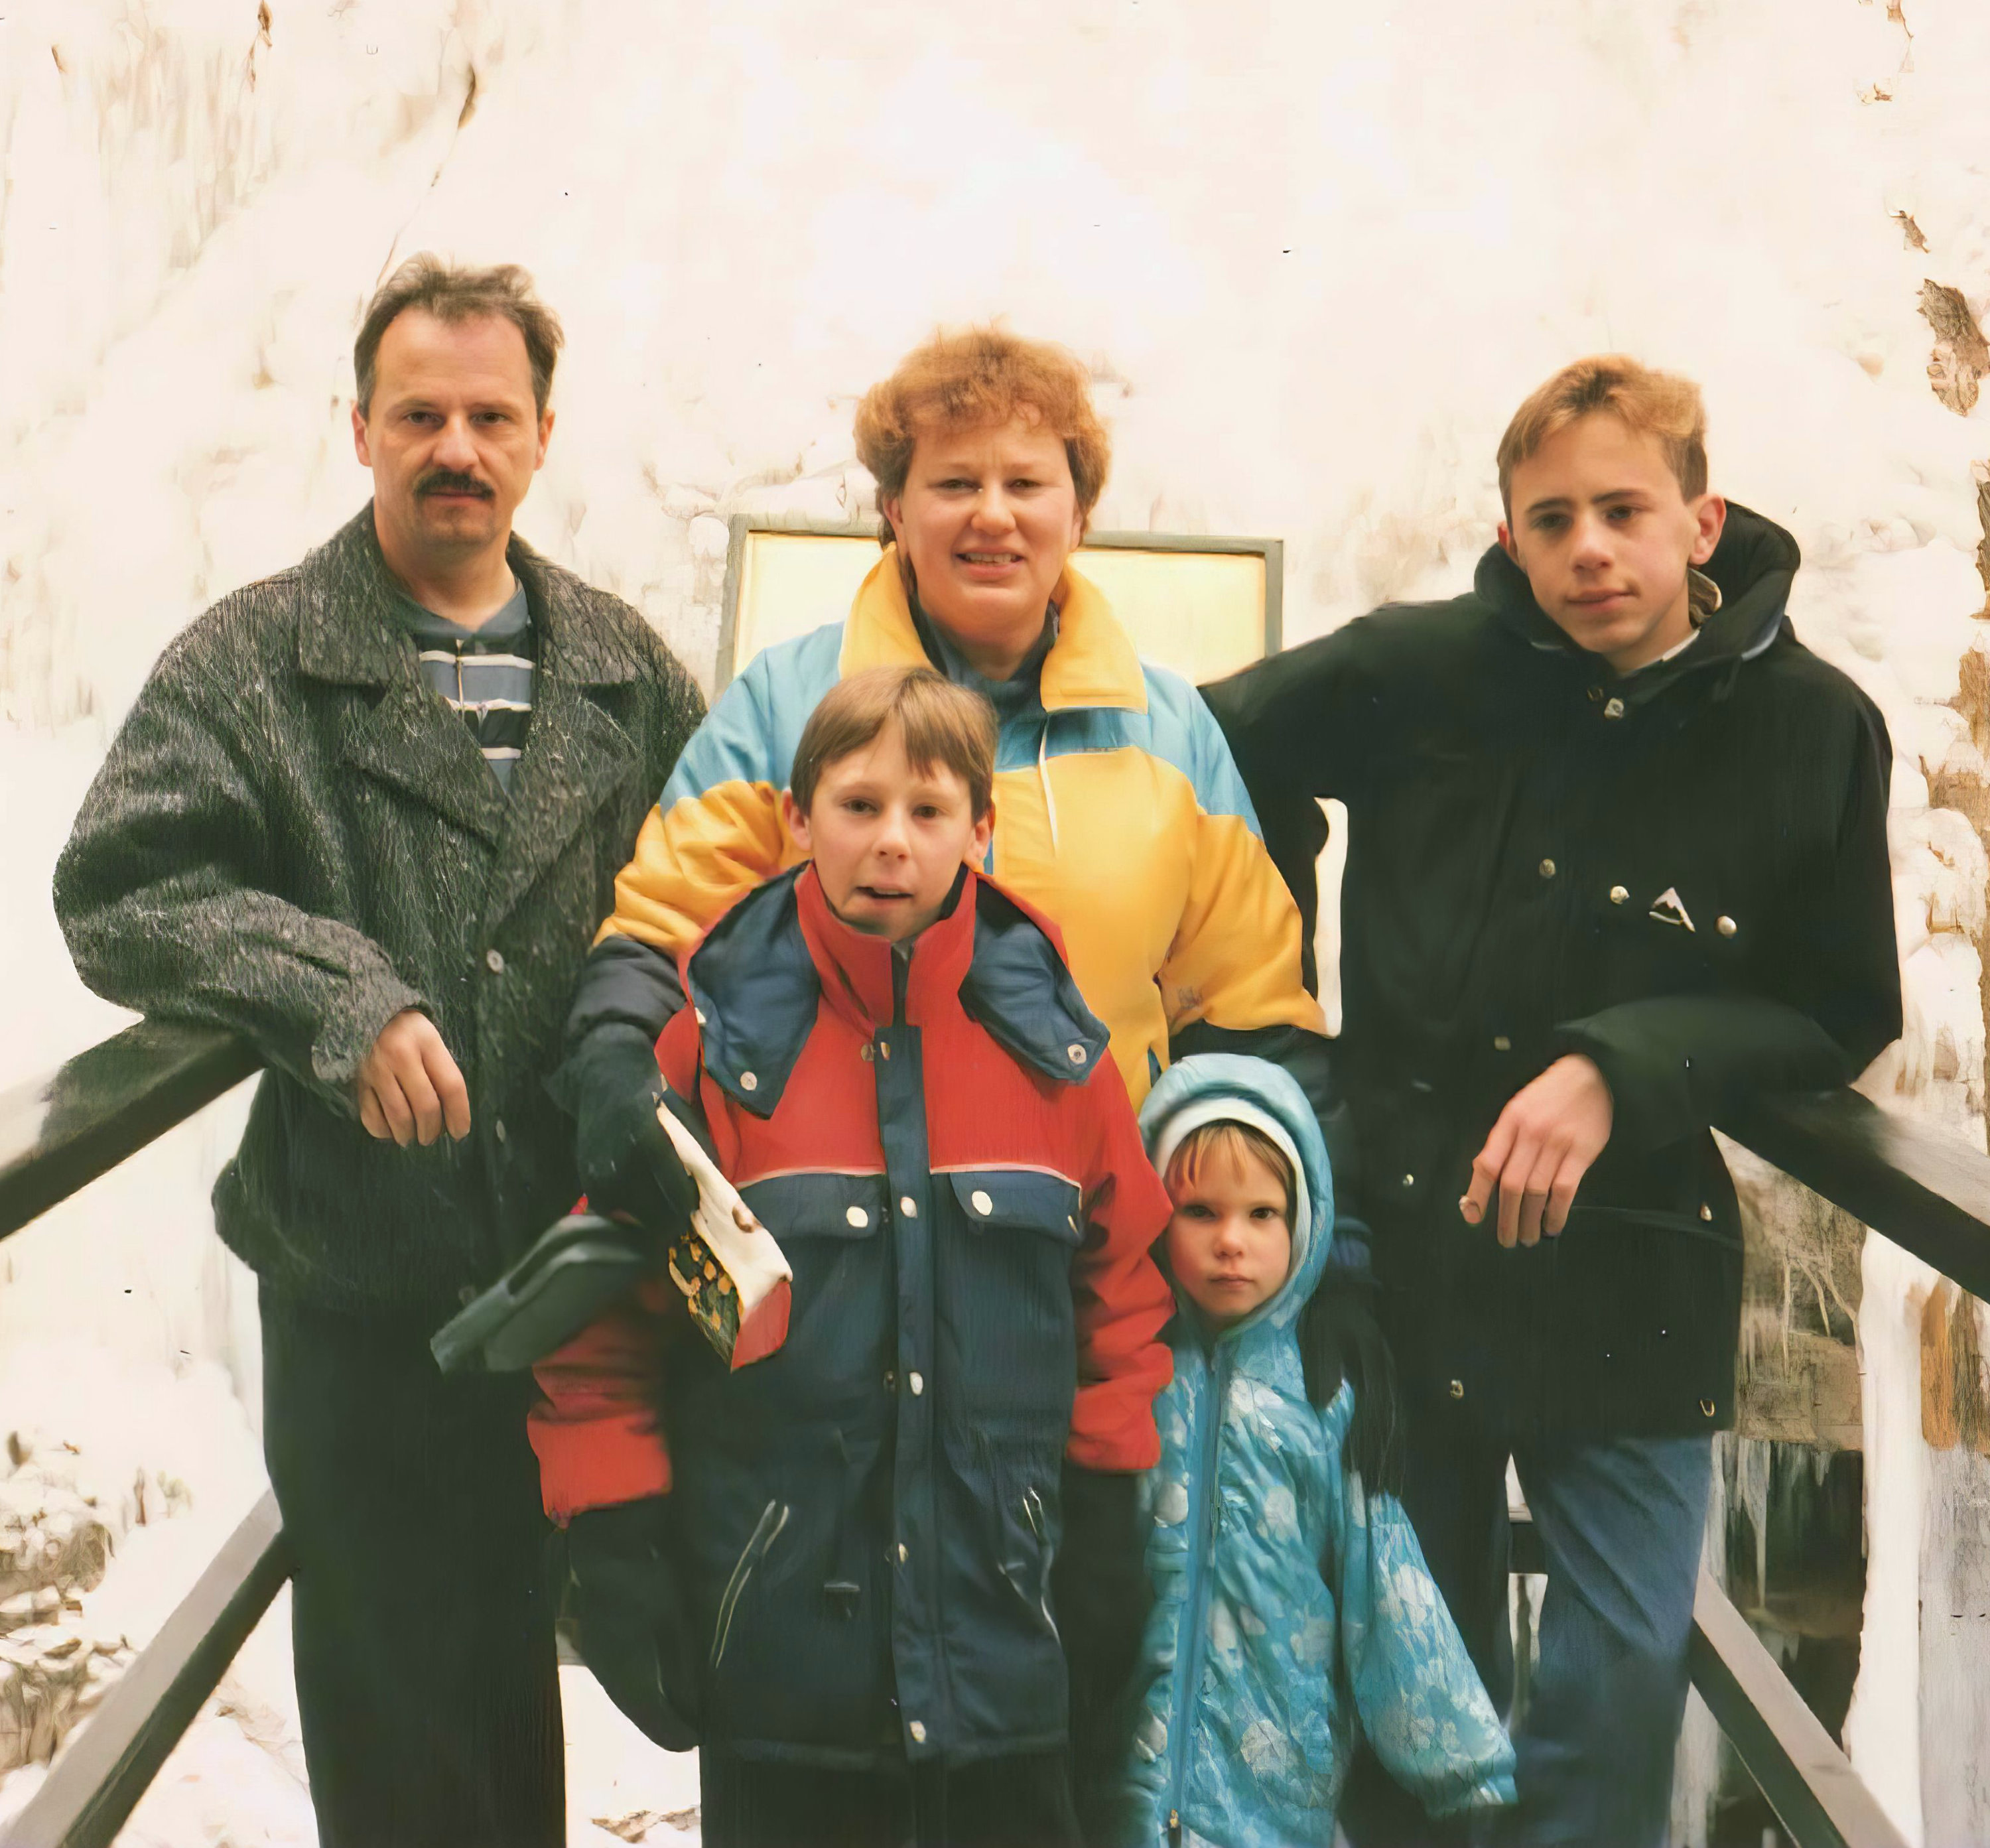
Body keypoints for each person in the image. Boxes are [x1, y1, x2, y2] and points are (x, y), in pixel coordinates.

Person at [554, 325, 1378, 1821]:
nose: (990, 512)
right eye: (952, 482)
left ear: (1080, 507)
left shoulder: (1165, 722)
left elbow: (1255, 1001)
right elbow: (665, 927)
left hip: (1069, 1295)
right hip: (833, 1267)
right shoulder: (794, 703)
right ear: (894, 508)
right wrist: (617, 1052)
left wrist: (1305, 1264)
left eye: (1026, 480)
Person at [1201, 355, 1902, 1846]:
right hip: (1403, 1239)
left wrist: (1621, 1065)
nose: (1590, 548)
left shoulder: (1810, 725)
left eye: (1625, 511)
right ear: (1510, 532)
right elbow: (1213, 745)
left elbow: (1840, 1006)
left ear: (1701, 522)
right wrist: (1282, 1030)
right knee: (1409, 1674)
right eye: (1553, 518)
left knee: (1619, 1682)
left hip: (1636, 1255)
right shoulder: (1423, 667)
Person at [52, 256, 705, 1848]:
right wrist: (338, 994)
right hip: (368, 1308)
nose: (455, 449)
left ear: (545, 436)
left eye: (491, 416)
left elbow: (723, 894)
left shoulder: (620, 672)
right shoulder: (257, 658)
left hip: (581, 1284)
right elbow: (119, 888)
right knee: (398, 1730)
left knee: (535, 1705)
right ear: (358, 430)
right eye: (420, 414)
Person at [529, 665, 1177, 1847]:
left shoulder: (1057, 1056)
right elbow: (602, 1315)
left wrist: (1108, 1514)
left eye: (928, 813)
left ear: (982, 831)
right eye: (859, 805)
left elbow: (1122, 1294)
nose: (893, 841)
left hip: (1007, 1650)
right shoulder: (712, 1053)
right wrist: (618, 1537)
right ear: (795, 821)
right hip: (780, 1666)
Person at [1112, 1053, 1512, 1848]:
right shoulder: (1129, 1373)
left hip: (1275, 1796)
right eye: (1200, 1211)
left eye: (1262, 1213)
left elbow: (1387, 1586)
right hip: (1122, 1792)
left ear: (1306, 1221)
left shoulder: (1327, 1397)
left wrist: (1469, 1768)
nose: (1233, 1241)